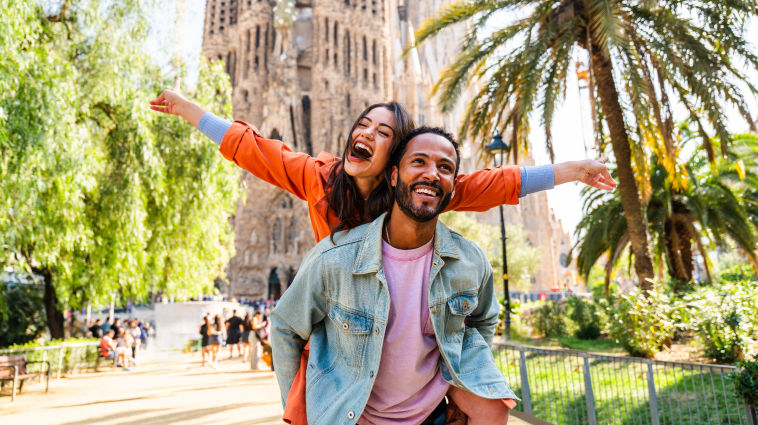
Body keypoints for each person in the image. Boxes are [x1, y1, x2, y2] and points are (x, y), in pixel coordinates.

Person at [150, 79, 616, 424]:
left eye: (383, 132)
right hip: (347, 317)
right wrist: (190, 110)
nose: (368, 134)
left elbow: (492, 184)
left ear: (394, 162)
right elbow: (256, 152)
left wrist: (571, 169)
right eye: (363, 126)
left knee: (491, 404)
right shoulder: (322, 179)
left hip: (400, 322)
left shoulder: (414, 191)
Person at [273, 126, 529, 424]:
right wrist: (298, 413)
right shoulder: (336, 258)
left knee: (495, 406)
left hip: (433, 417)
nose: (432, 174)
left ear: (453, 187)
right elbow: (284, 326)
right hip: (350, 417)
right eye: (419, 161)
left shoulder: (470, 261)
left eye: (445, 167)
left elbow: (483, 320)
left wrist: (465, 382)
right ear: (394, 176)